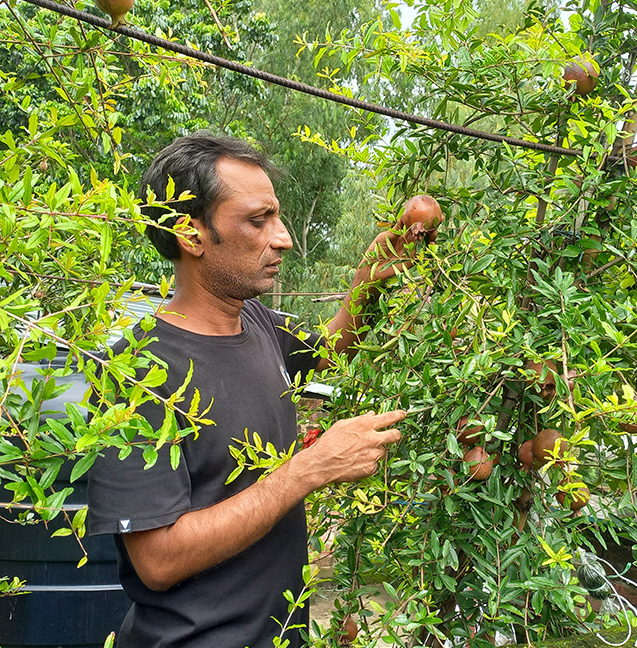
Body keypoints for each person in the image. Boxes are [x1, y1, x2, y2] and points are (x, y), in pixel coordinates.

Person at [87, 133, 440, 647]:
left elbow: (329, 351)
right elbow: (158, 560)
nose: (283, 239)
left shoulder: (251, 321)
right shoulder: (137, 372)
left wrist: (372, 277)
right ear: (191, 234)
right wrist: (308, 470)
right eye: (259, 220)